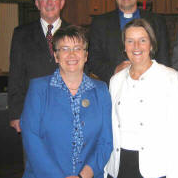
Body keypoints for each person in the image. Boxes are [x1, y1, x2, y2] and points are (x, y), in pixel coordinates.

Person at [20, 25, 113, 178]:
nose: (72, 55)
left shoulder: (101, 90)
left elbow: (106, 141)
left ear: (86, 55)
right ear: (56, 56)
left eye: (77, 48)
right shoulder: (39, 89)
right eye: (64, 49)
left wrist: (84, 175)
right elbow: (32, 140)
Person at [105, 18, 178, 178]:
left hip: (154, 168)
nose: (136, 46)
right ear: (124, 46)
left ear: (151, 44)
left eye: (142, 40)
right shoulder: (116, 80)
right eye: (130, 41)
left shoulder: (170, 78)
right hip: (119, 166)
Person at [8, 0, 69, 132]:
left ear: (62, 3)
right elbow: (16, 75)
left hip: (67, 111)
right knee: (34, 155)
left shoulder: (75, 33)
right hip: (32, 112)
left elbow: (84, 74)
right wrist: (16, 114)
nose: (49, 2)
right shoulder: (21, 34)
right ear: (37, 3)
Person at [88, 0, 169, 84]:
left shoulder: (156, 21)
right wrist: (114, 70)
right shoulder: (100, 23)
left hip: (151, 83)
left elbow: (164, 57)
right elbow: (93, 59)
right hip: (114, 83)